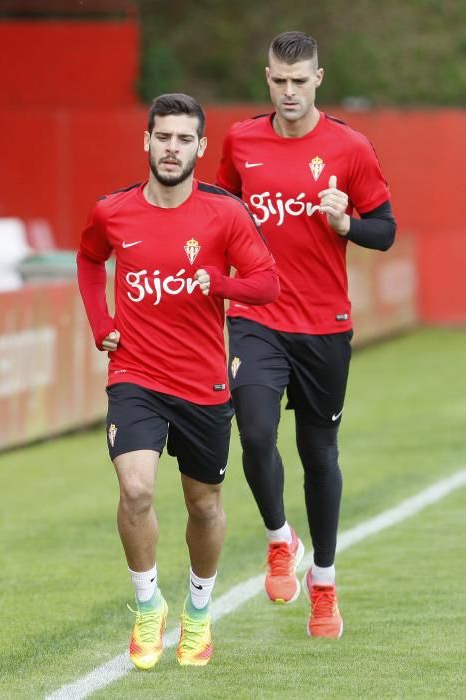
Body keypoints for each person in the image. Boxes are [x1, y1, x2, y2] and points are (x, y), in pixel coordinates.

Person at [77, 93, 279, 669]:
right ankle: (147, 606)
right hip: (135, 373)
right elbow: (90, 259)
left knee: (204, 507)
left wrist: (221, 285)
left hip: (203, 383)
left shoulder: (224, 213)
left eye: (183, 139)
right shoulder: (113, 210)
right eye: (162, 137)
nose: (172, 148)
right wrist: (102, 324)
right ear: (146, 141)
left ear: (200, 147)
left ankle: (196, 611)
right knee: (136, 490)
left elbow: (265, 283)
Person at [217, 31, 396, 638]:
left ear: (319, 79)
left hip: (324, 325)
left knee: (319, 457)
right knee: (256, 429)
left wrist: (347, 222)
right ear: (266, 79)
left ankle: (323, 582)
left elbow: (386, 230)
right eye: (278, 80)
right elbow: (221, 213)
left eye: (300, 81)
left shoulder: (350, 147)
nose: (289, 91)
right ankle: (277, 538)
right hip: (257, 319)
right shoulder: (240, 140)